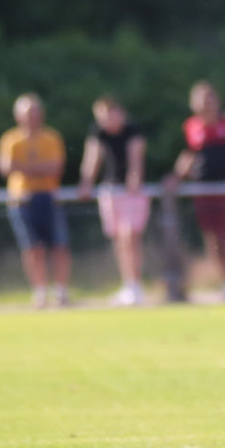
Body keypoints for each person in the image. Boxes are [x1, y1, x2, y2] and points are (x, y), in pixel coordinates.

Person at [170, 82, 225, 302]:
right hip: (204, 190)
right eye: (202, 100)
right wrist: (176, 177)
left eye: (210, 99)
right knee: (213, 239)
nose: (206, 104)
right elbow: (189, 155)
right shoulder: (191, 127)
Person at [0, 93, 70, 309]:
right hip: (22, 200)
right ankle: (40, 292)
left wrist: (24, 168)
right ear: (18, 116)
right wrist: (40, 169)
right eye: (27, 113)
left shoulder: (52, 137)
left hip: (48, 197)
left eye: (35, 112)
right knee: (32, 248)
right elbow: (6, 168)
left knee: (59, 246)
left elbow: (56, 168)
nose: (31, 117)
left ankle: (61, 292)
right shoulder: (10, 139)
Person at [78, 95, 150, 305]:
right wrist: (86, 183)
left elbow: (136, 160)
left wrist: (134, 179)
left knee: (130, 237)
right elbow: (91, 159)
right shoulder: (98, 133)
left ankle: (136, 285)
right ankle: (128, 284)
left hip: (131, 193)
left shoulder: (133, 131)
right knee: (119, 240)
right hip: (111, 192)